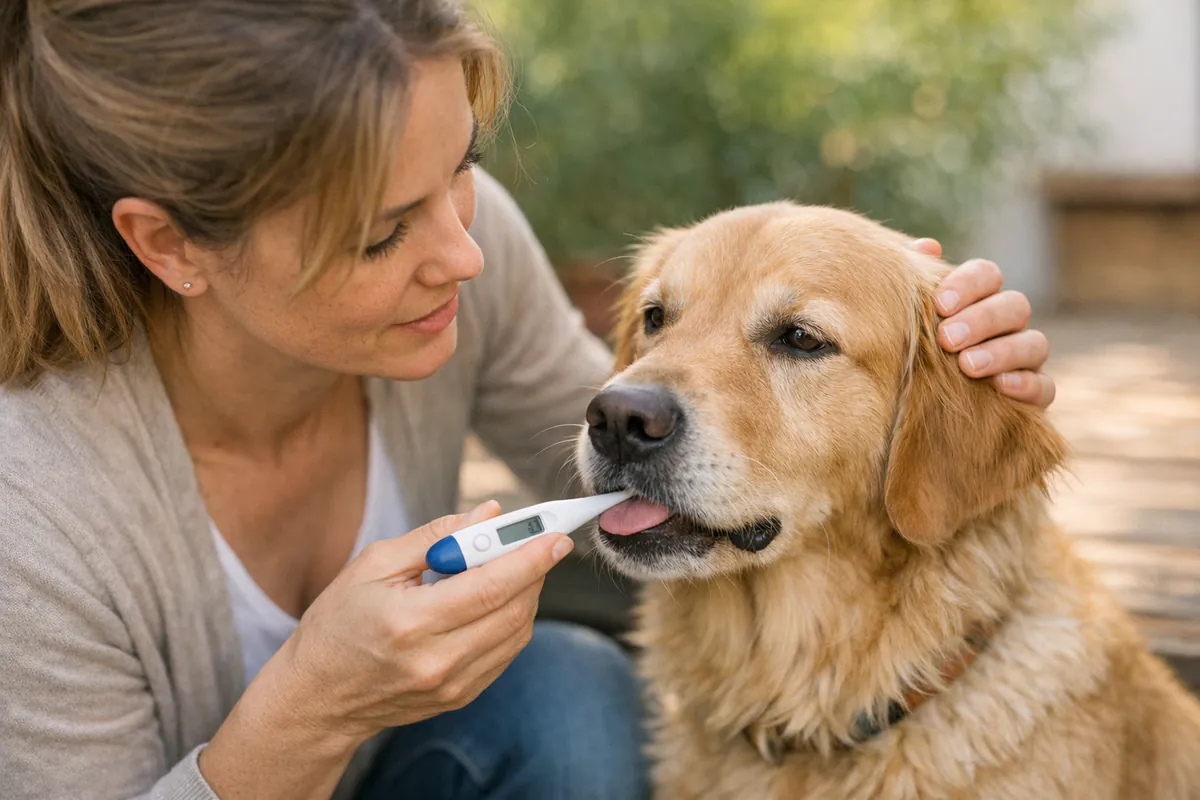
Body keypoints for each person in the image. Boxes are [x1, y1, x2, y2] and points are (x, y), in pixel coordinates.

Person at [0, 1, 1056, 798]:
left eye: (461, 168)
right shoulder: (29, 503)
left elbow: (644, 425)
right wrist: (312, 707)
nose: (464, 254)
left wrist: (950, 372)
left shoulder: (466, 248)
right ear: (169, 243)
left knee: (570, 691)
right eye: (379, 233)